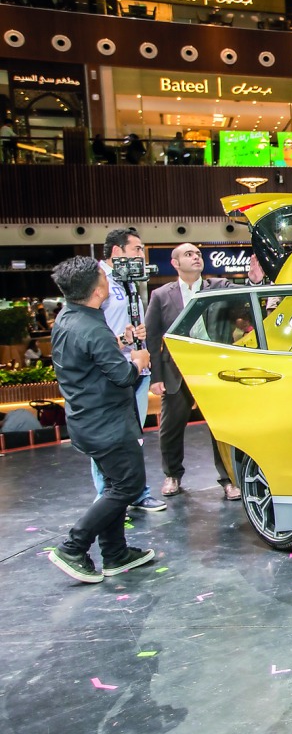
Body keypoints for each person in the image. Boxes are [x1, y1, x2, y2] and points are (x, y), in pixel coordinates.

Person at [47, 256, 156, 584]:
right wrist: (138, 360)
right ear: (97, 289)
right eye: (103, 276)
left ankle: (115, 553)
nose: (108, 280)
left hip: (85, 420)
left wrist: (118, 344)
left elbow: (89, 361)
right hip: (108, 423)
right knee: (129, 485)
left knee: (114, 485)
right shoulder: (93, 328)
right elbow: (123, 376)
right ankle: (73, 545)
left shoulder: (68, 317)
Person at [145, 243, 241, 501]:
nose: (196, 257)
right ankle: (172, 474)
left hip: (213, 368)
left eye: (198, 254)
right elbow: (153, 338)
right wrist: (156, 377)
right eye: (189, 254)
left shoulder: (219, 286)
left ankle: (229, 479)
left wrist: (254, 279)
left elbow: (247, 295)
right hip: (177, 369)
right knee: (171, 427)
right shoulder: (162, 295)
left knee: (222, 427)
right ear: (175, 263)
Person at [91, 228, 166, 513]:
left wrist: (141, 334)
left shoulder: (130, 281)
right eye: (136, 249)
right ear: (115, 251)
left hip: (136, 366)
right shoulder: (96, 280)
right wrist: (122, 340)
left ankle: (136, 492)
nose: (141, 254)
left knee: (134, 435)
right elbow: (89, 331)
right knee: (107, 438)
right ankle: (106, 499)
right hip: (109, 370)